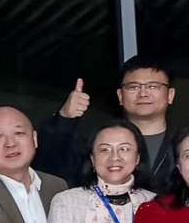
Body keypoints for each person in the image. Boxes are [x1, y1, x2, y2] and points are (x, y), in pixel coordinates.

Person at [35, 55, 177, 181]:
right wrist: (65, 118)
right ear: (120, 96)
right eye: (133, 87)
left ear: (170, 95)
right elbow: (50, 171)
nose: (143, 93)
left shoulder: (183, 142)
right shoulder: (96, 141)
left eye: (153, 86)